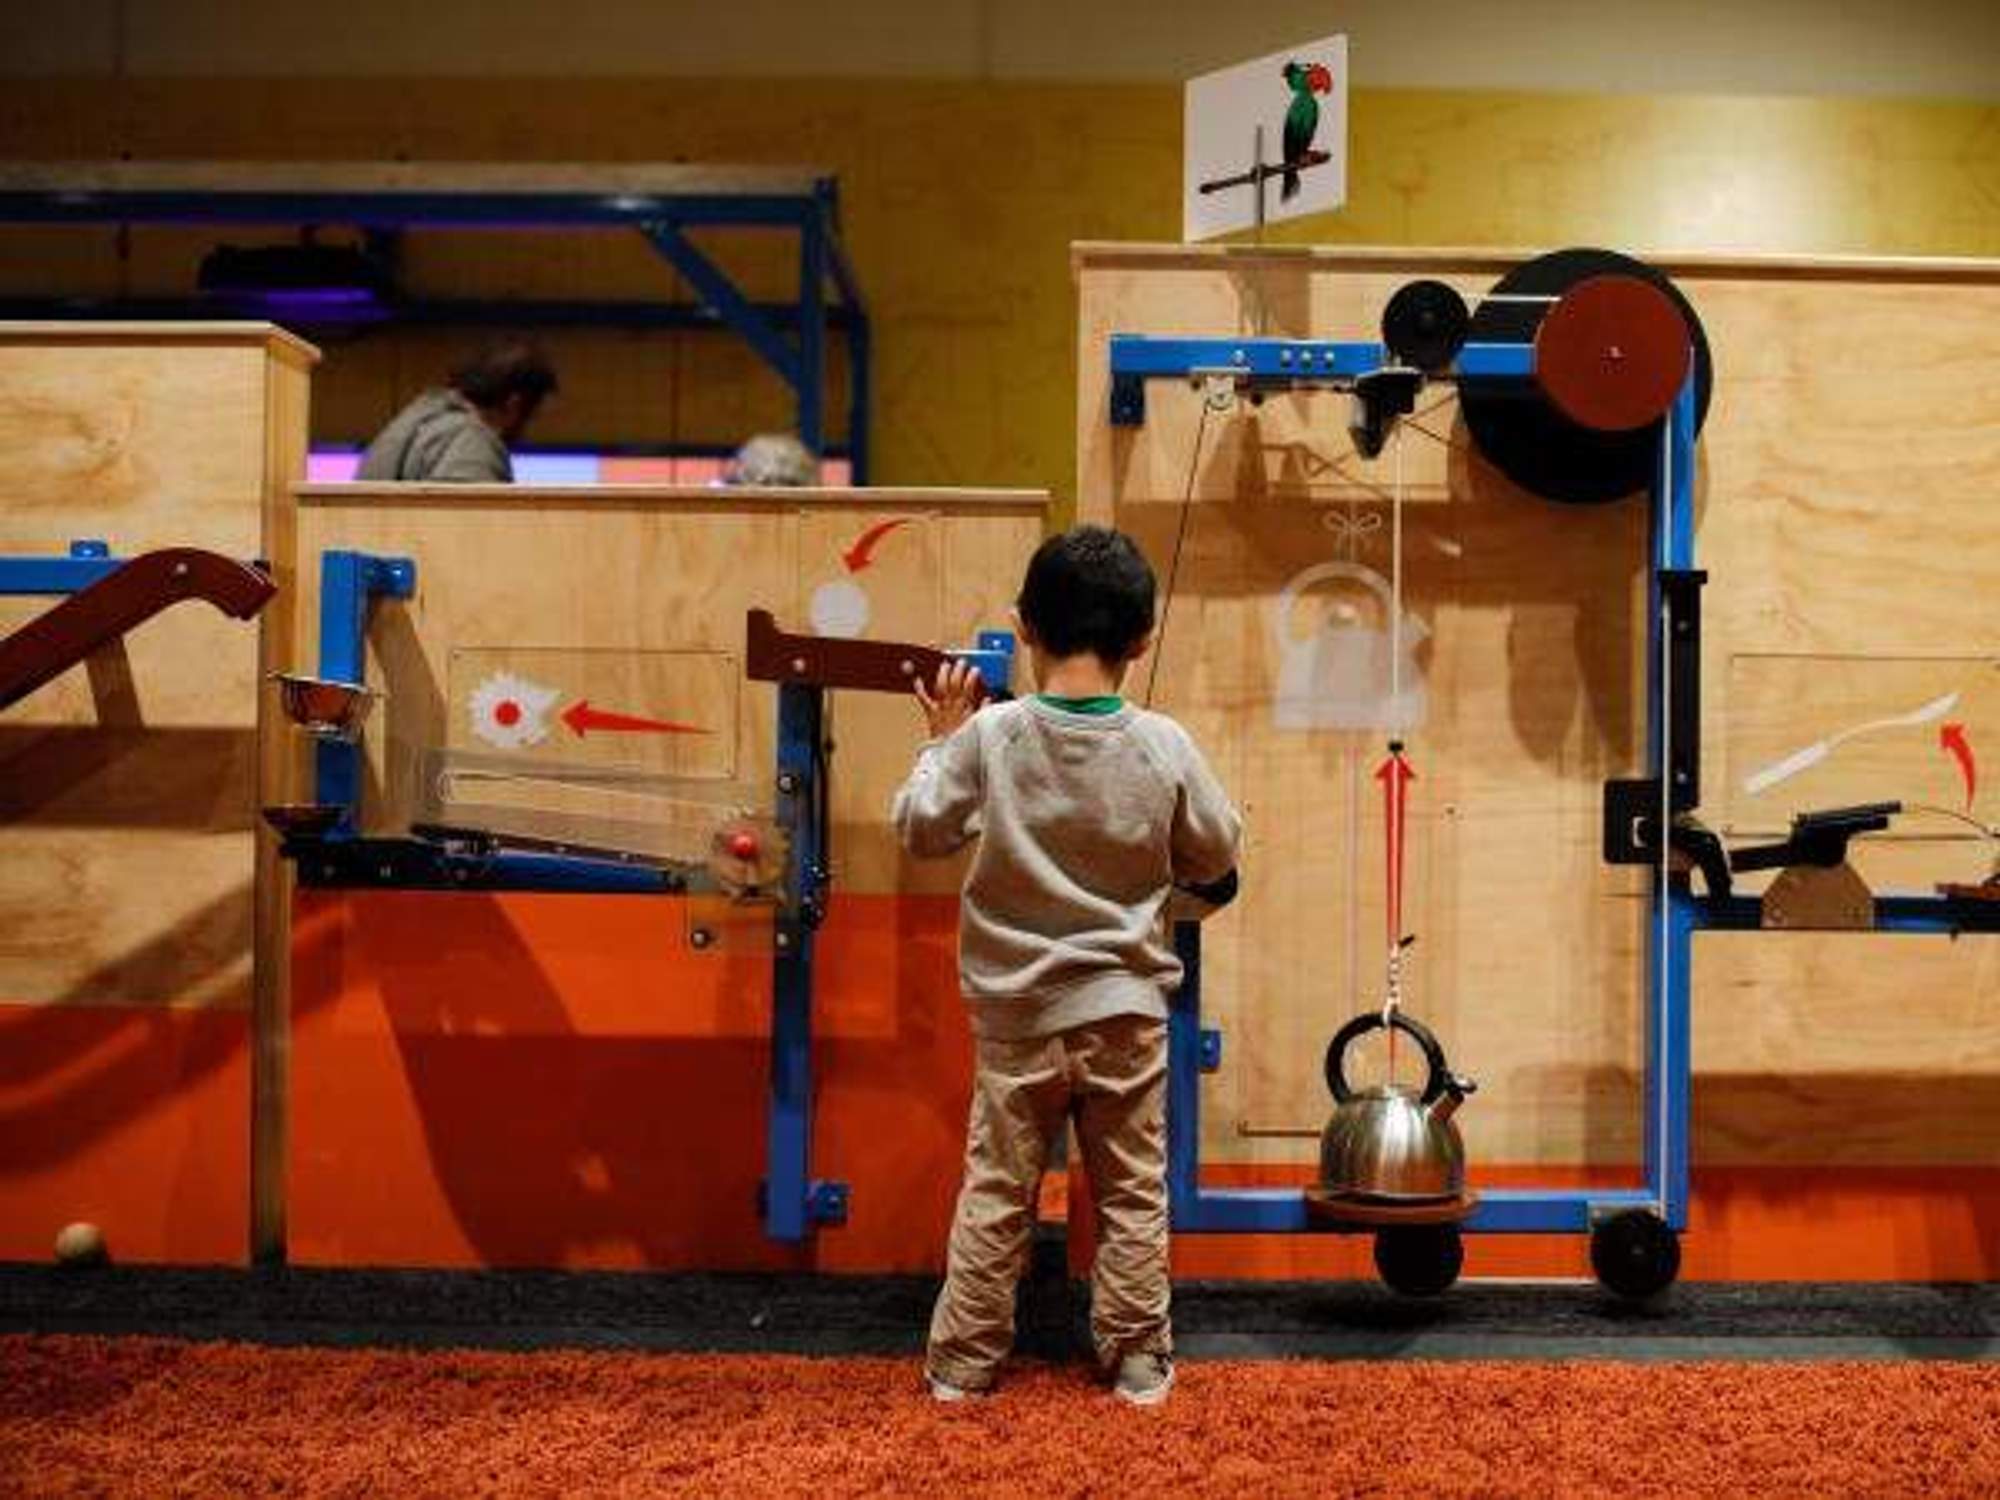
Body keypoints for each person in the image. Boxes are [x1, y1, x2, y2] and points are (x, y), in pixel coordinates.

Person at [892, 524, 1242, 1407]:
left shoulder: (992, 736)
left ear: (1025, 627)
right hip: (1124, 1009)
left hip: (1016, 1016)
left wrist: (940, 739)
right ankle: (1135, 1361)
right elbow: (1216, 849)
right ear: (1141, 641)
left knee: (998, 1189)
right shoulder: (1164, 744)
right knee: (1130, 1190)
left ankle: (964, 1365)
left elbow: (921, 827)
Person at [356, 340, 557, 483]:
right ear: (514, 404)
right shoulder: (471, 441)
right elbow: (467, 531)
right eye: (532, 417)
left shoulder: (411, 420)